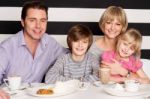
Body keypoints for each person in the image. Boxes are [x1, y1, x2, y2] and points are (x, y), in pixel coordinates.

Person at [0, 1, 67, 84]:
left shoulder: (50, 43)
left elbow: (73, 54)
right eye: (32, 20)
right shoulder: (6, 48)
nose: (38, 26)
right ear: (23, 22)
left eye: (42, 21)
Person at [88, 6, 128, 77]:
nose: (112, 28)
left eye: (118, 24)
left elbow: (143, 78)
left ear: (123, 27)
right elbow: (96, 76)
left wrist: (122, 71)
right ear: (103, 24)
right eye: (109, 23)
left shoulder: (127, 46)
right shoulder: (93, 48)